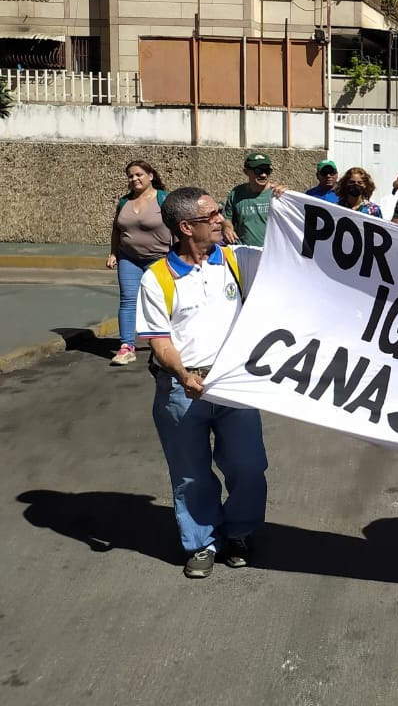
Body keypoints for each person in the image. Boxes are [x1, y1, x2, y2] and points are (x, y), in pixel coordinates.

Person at [137, 187, 267, 578]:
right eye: (211, 216)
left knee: (248, 466)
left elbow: (292, 254)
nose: (220, 220)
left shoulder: (235, 259)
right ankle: (201, 543)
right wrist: (183, 374)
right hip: (181, 389)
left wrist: (287, 202)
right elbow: (159, 340)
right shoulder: (156, 278)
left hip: (234, 384)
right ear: (185, 227)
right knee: (190, 474)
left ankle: (240, 532)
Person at [106, 160, 171, 366]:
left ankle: (167, 342)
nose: (134, 179)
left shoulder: (163, 199)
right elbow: (117, 230)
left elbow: (177, 228)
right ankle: (126, 347)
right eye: (130, 176)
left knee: (161, 301)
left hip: (159, 258)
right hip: (129, 259)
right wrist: (114, 253)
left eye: (139, 174)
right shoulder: (124, 202)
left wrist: (179, 254)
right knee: (128, 300)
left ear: (150, 176)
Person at [222, 152, 277, 246]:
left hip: (270, 252)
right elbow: (227, 217)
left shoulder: (277, 194)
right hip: (244, 252)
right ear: (246, 172)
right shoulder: (236, 193)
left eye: (267, 171)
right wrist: (227, 227)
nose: (263, 175)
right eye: (258, 170)